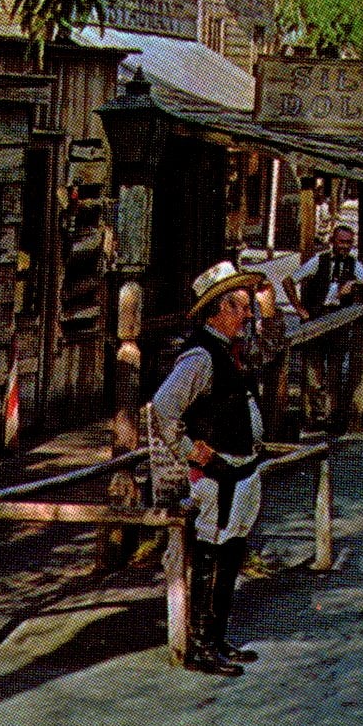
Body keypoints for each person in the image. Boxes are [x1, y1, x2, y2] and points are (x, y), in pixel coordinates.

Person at [152, 260, 270, 676]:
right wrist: (188, 449)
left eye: (248, 307)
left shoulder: (231, 351)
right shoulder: (201, 356)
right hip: (217, 475)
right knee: (208, 556)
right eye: (239, 307)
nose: (247, 315)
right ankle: (200, 644)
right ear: (218, 309)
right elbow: (164, 409)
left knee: (231, 552)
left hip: (242, 469)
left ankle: (217, 638)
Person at [283, 220, 363, 427]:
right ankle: (312, 416)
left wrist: (354, 284)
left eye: (348, 243)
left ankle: (331, 417)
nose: (344, 246)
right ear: (332, 241)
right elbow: (289, 280)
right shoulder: (319, 261)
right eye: (341, 242)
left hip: (339, 321)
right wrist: (299, 308)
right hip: (316, 318)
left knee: (334, 372)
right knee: (313, 372)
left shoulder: (354, 264)